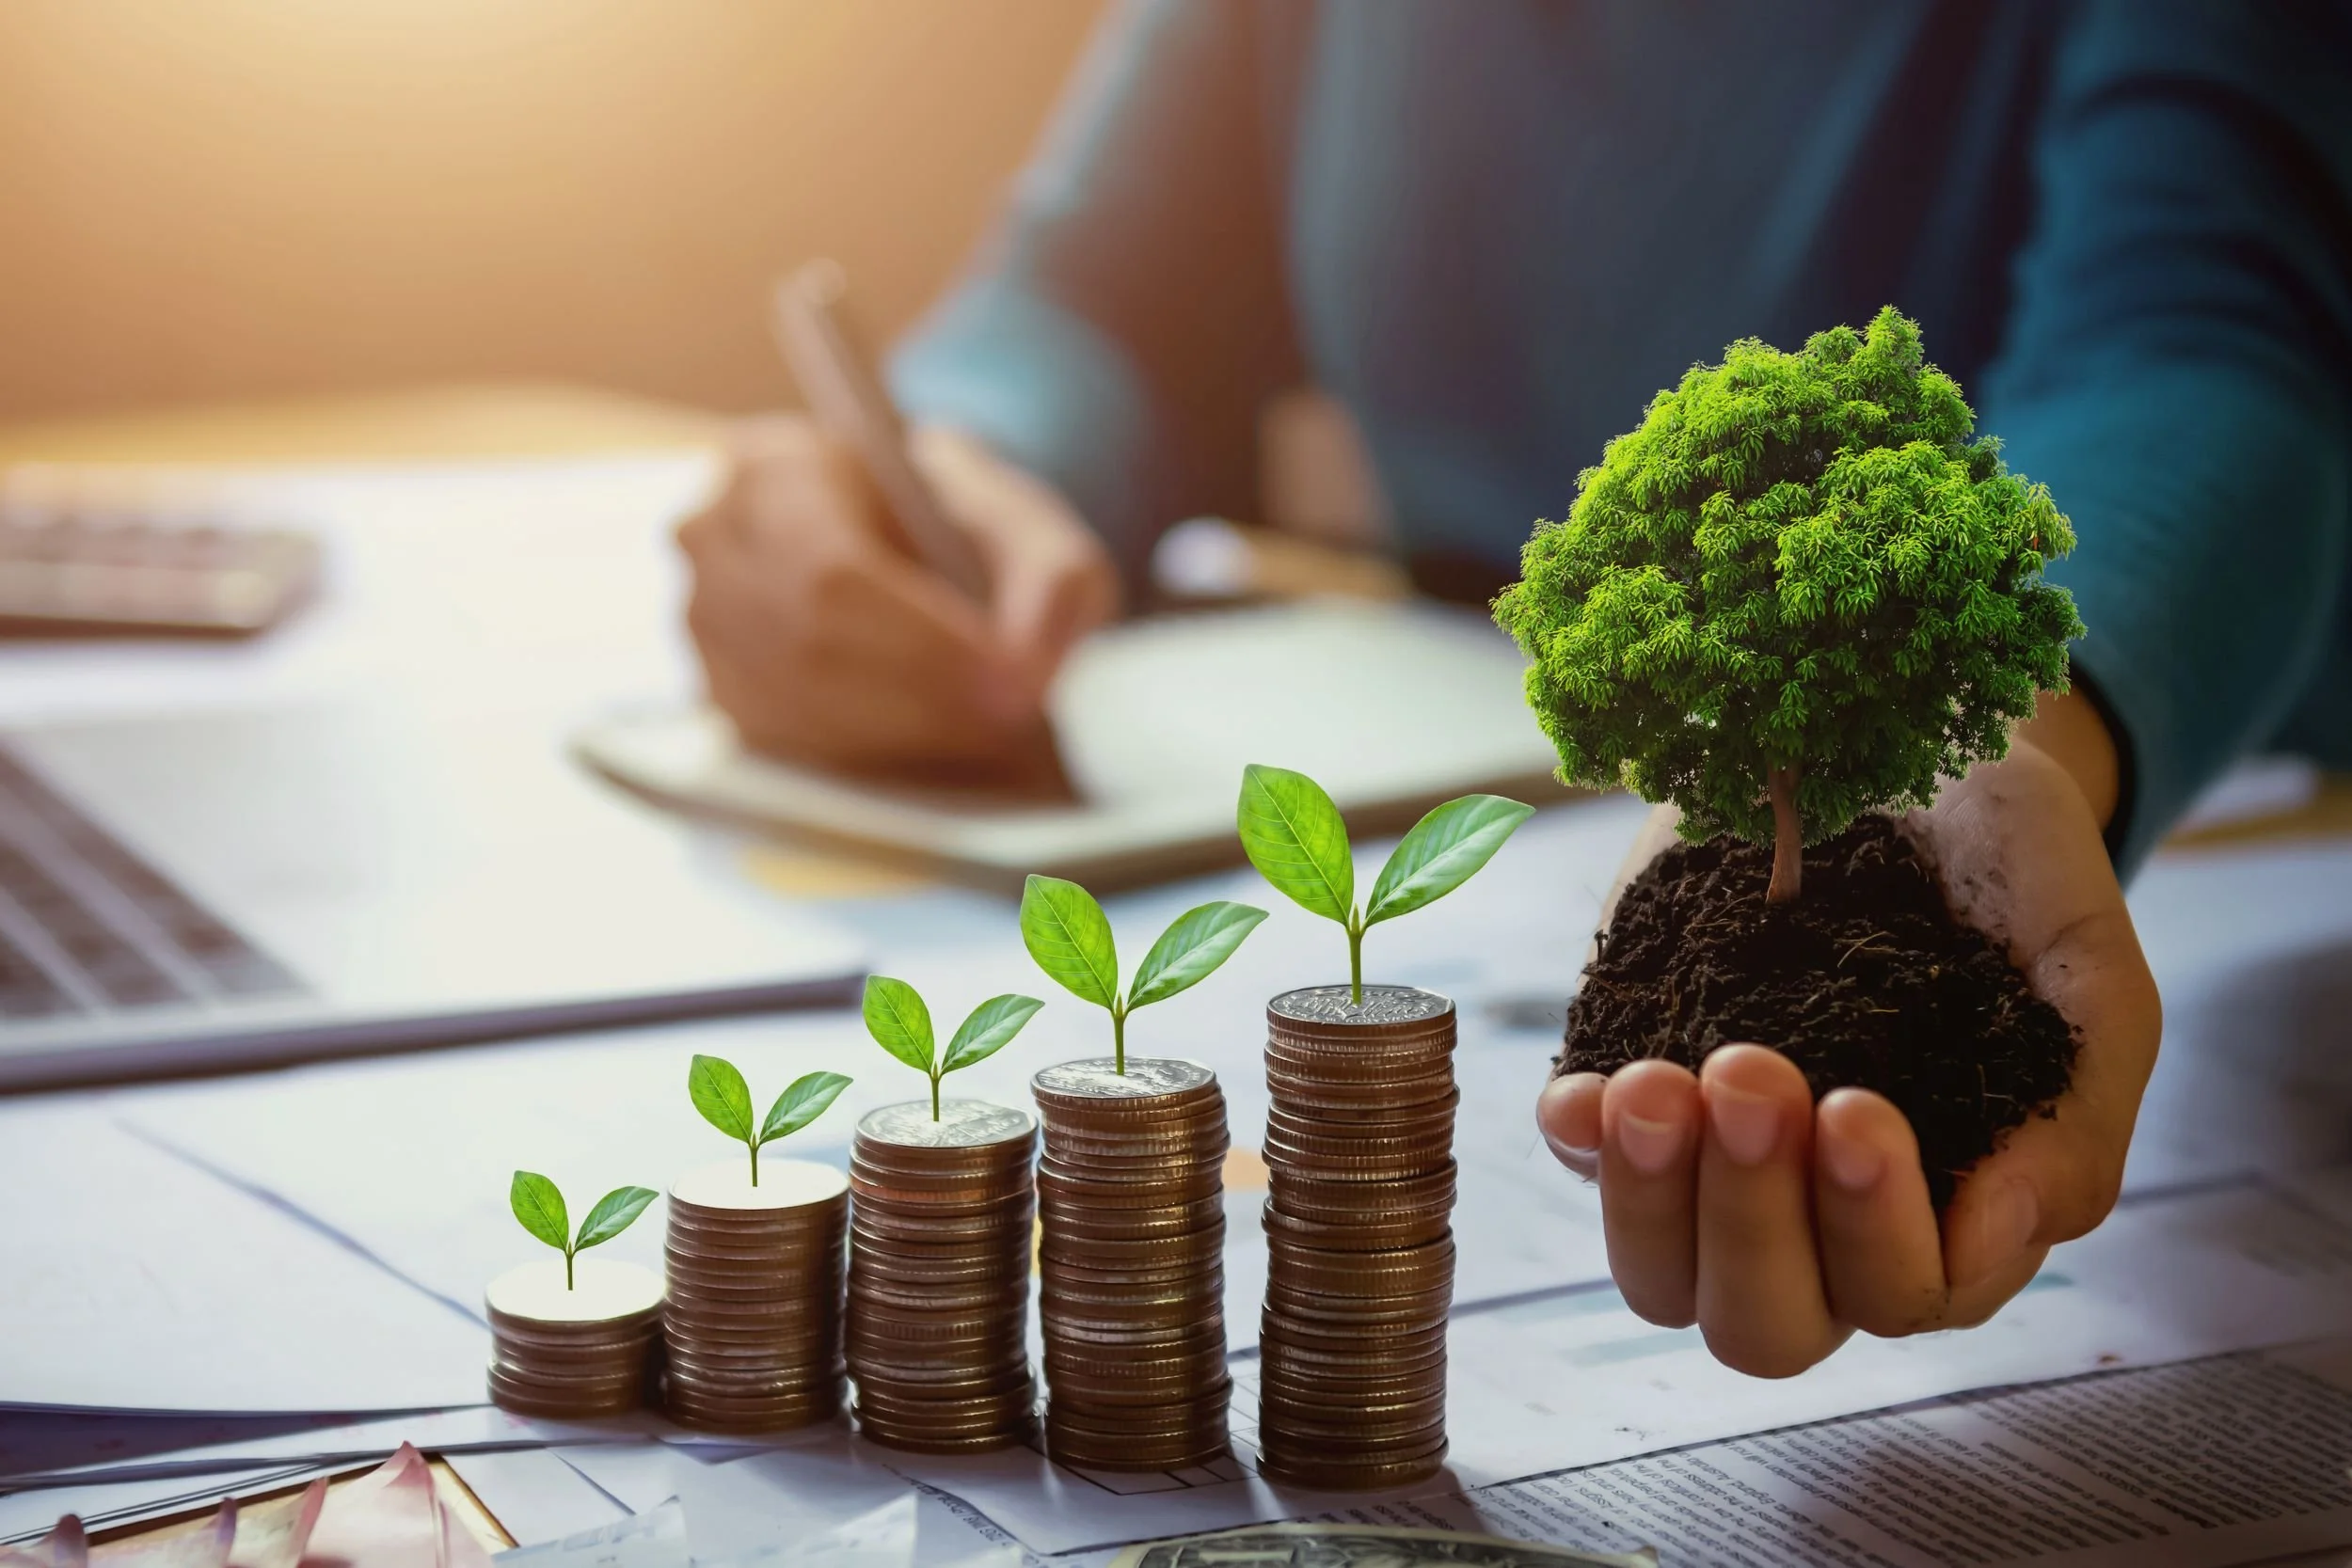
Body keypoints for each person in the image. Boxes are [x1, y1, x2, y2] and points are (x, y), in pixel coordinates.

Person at [677, 0, 2352, 1375]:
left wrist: (1985, 711)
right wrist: (961, 469)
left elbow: (2202, 337)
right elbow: (1108, 287)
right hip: (1514, 730)